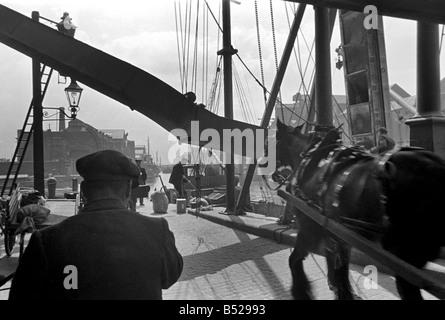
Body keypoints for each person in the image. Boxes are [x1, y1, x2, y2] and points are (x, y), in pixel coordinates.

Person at [9, 150, 183, 300]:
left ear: (83, 191)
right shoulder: (156, 230)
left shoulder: (46, 241)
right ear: (129, 190)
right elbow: (170, 277)